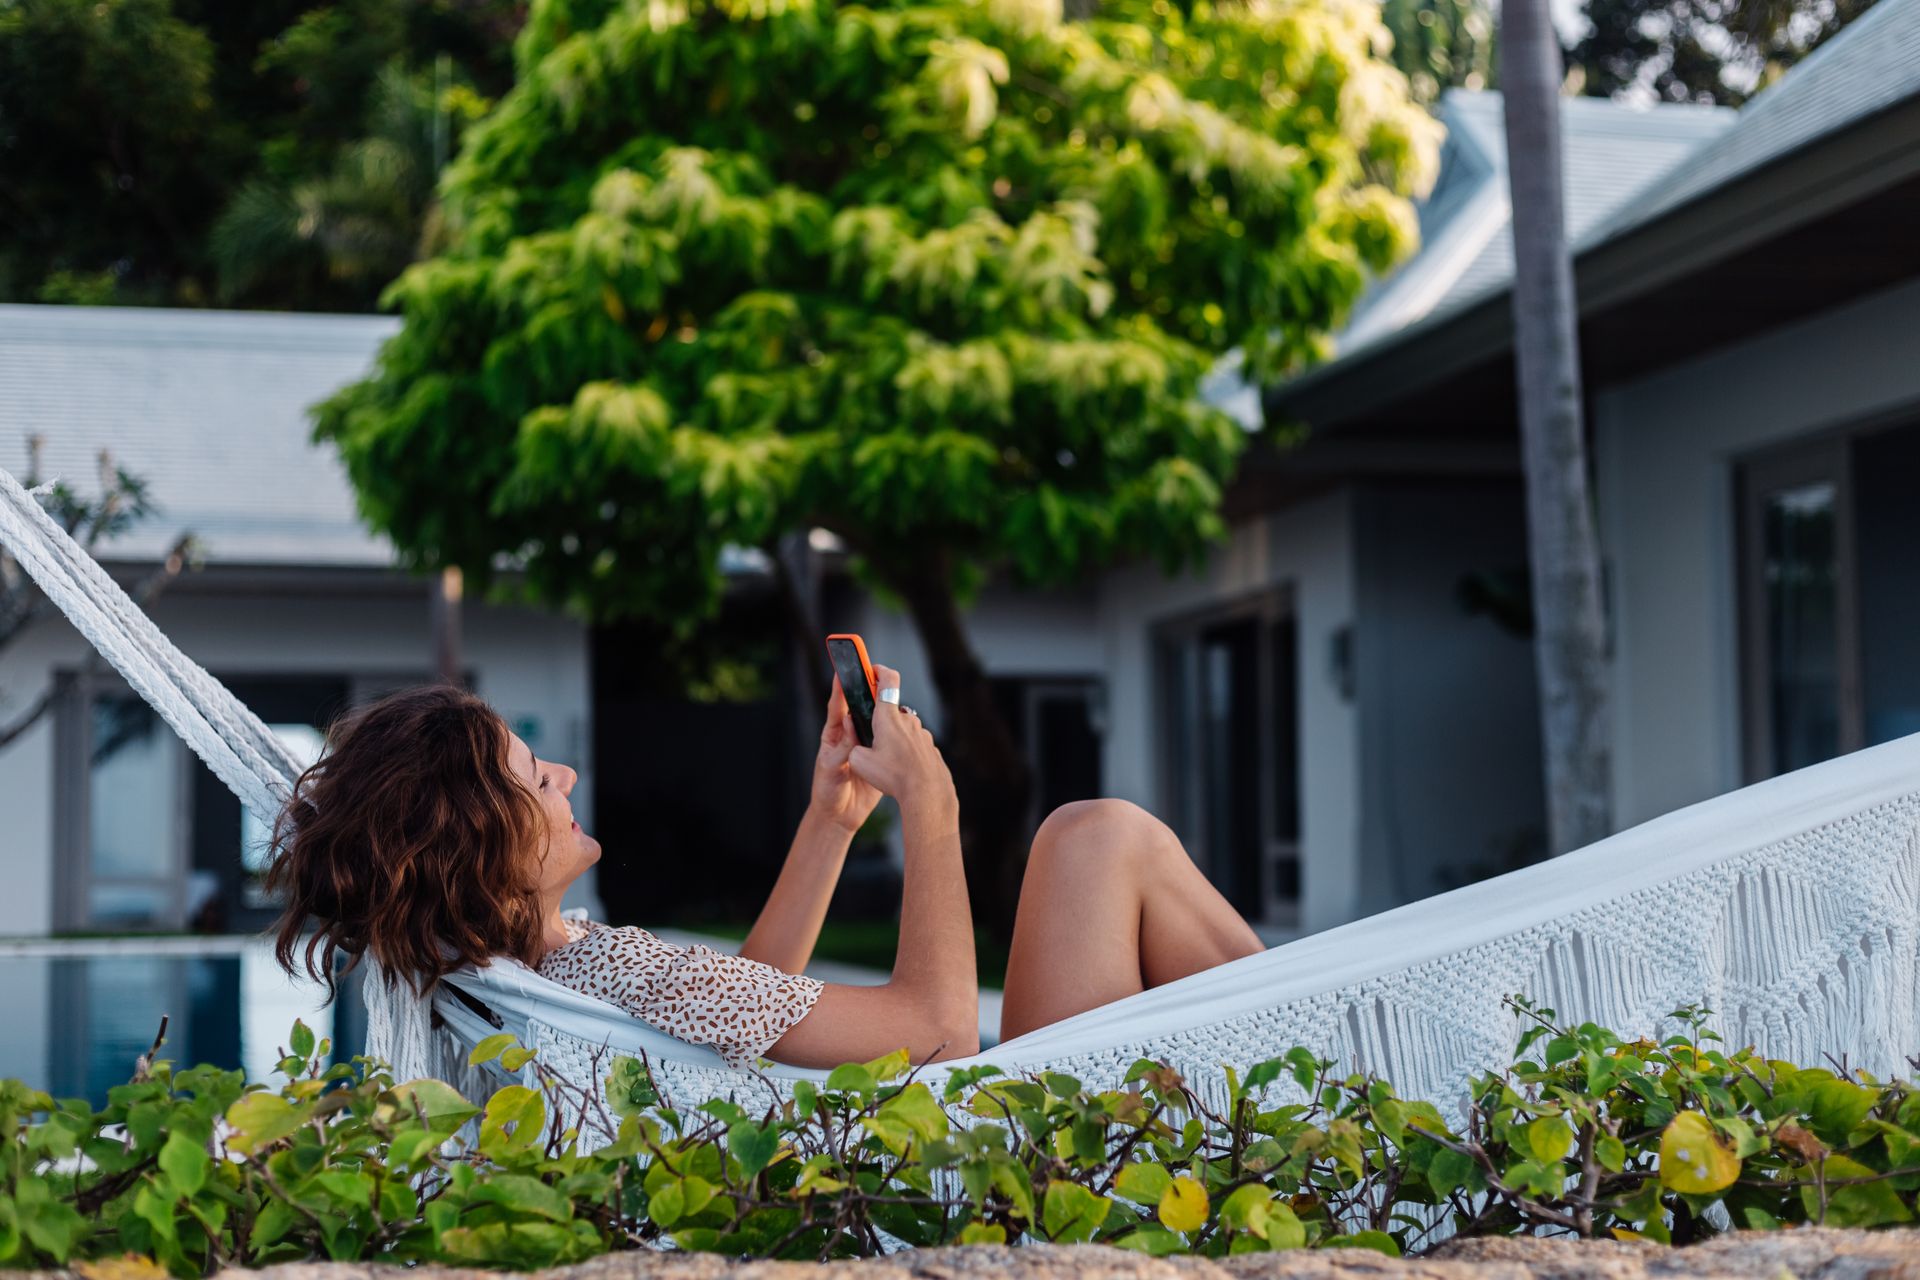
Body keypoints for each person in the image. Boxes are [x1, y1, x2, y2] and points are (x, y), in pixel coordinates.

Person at [267, 670, 1263, 1069]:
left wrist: (830, 822)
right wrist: (932, 804)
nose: (564, 771)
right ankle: (1344, 1062)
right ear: (486, 840)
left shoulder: (554, 976)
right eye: (535, 774)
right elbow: (940, 1029)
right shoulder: (608, 974)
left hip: (976, 1140)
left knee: (1095, 839)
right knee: (1093, 835)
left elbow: (733, 1011)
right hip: (998, 1154)